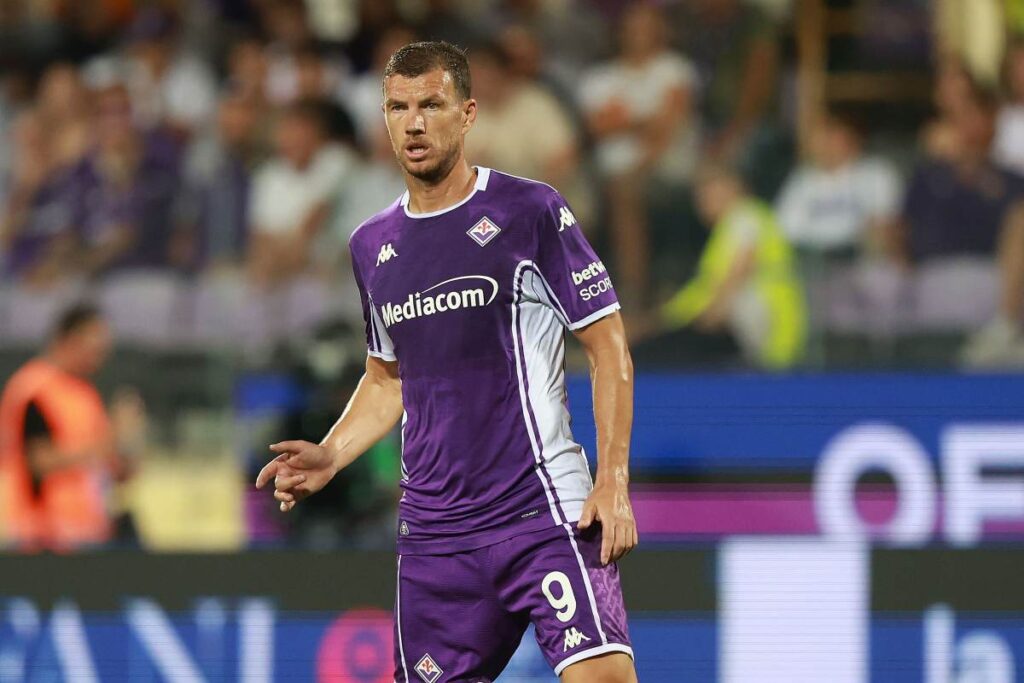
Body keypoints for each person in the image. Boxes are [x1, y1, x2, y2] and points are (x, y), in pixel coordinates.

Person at [256, 41, 638, 682]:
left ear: (466, 114)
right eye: (398, 107)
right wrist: (332, 450)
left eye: (431, 104)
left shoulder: (530, 212)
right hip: (434, 536)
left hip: (540, 510)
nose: (414, 123)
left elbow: (607, 344)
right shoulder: (371, 245)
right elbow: (388, 377)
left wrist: (614, 479)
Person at [0, 304, 143, 552]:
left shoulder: (85, 394)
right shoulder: (35, 389)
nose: (99, 358)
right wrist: (110, 439)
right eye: (94, 349)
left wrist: (125, 448)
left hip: (89, 533)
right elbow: (39, 460)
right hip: (44, 537)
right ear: (68, 340)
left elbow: (106, 464)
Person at [644, 165, 805, 370]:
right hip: (753, 336)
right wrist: (660, 320)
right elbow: (703, 290)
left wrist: (697, 327)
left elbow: (735, 280)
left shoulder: (746, 217)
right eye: (700, 194)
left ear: (735, 189)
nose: (704, 201)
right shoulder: (725, 230)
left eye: (711, 191)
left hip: (767, 330)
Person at [775, 112, 902, 261]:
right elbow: (787, 231)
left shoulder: (877, 173)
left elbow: (885, 224)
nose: (825, 145)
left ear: (852, 140)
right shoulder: (802, 181)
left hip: (860, 258)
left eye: (832, 137)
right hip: (814, 261)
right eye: (820, 140)